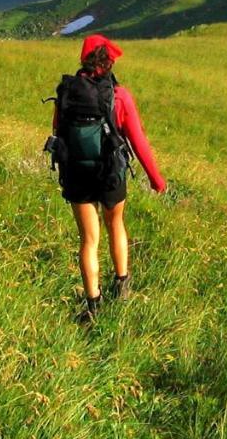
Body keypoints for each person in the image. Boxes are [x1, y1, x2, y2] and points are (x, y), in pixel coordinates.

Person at [49, 34, 166, 322]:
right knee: (116, 225)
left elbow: (57, 131)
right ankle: (122, 287)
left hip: (76, 174)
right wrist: (156, 180)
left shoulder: (66, 92)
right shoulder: (120, 96)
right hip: (110, 174)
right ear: (109, 61)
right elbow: (138, 141)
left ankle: (92, 304)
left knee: (88, 240)